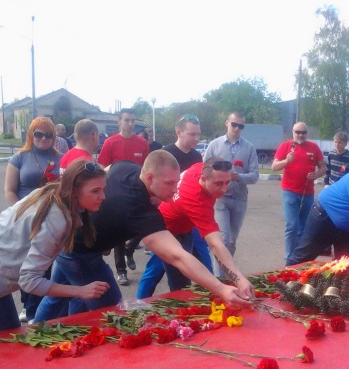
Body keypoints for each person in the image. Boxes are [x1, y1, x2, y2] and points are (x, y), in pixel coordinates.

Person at [34, 151, 253, 323]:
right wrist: (222, 288)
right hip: (81, 253)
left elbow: (108, 169)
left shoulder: (127, 167)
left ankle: (31, 334)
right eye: (169, 183)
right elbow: (178, 256)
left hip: (69, 243)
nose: (175, 189)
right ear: (149, 177)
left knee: (56, 298)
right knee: (111, 313)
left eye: (177, 181)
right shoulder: (140, 210)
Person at [0, 159, 108, 332]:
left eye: (103, 189)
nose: (103, 196)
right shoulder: (58, 218)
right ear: (74, 191)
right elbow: (30, 281)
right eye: (96, 191)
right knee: (12, 336)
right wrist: (80, 291)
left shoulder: (56, 191)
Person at [155, 157, 255, 294]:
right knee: (181, 284)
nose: (224, 189)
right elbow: (216, 245)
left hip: (185, 223)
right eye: (219, 183)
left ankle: (140, 299)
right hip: (168, 231)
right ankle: (138, 305)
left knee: (157, 269)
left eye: (228, 182)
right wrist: (239, 279)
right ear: (203, 179)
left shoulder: (201, 167)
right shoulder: (197, 202)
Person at [137, 114, 210, 298]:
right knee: (156, 268)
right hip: (165, 220)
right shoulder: (164, 155)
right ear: (179, 132)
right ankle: (139, 302)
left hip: (188, 219)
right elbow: (149, 184)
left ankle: (207, 294)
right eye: (192, 134)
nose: (196, 139)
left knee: (199, 259)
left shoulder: (196, 156)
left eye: (198, 134)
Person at [4, 117, 63, 322]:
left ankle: (35, 307)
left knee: (44, 262)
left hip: (50, 218)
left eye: (49, 135)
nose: (43, 138)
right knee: (24, 261)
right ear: (31, 134)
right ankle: (27, 304)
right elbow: (10, 190)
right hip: (25, 218)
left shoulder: (59, 158)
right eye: (39, 134)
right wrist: (20, 214)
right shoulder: (20, 157)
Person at [203, 112, 259, 277]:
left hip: (240, 198)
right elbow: (204, 169)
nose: (237, 128)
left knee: (232, 242)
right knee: (224, 240)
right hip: (220, 199)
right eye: (234, 124)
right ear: (227, 123)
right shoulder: (215, 145)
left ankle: (225, 273)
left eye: (241, 126)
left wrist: (238, 177)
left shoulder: (249, 148)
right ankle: (219, 279)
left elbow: (254, 176)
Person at [98, 108, 149, 286]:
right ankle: (121, 271)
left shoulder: (142, 143)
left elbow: (146, 169)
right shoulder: (110, 143)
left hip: (136, 191)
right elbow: (102, 167)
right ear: (119, 122)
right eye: (127, 120)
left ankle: (130, 248)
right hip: (116, 192)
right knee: (118, 231)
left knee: (143, 226)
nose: (130, 124)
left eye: (133, 120)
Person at [271, 122, 326, 262]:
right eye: (298, 132)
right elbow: (274, 167)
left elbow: (323, 167)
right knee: (292, 225)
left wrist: (317, 174)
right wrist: (286, 161)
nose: (301, 135)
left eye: (303, 132)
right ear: (293, 132)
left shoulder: (313, 147)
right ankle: (290, 258)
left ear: (307, 133)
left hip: (307, 193)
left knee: (305, 227)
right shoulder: (285, 146)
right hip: (289, 191)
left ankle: (300, 258)